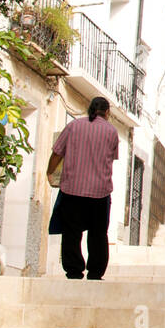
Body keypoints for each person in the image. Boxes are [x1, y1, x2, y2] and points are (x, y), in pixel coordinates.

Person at [46, 97, 120, 280]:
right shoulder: (111, 132)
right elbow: (111, 158)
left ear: (89, 109)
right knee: (98, 234)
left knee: (71, 232)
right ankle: (95, 273)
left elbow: (57, 152)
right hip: (100, 192)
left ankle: (73, 271)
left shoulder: (73, 126)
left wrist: (50, 172)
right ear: (107, 112)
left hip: (73, 189)